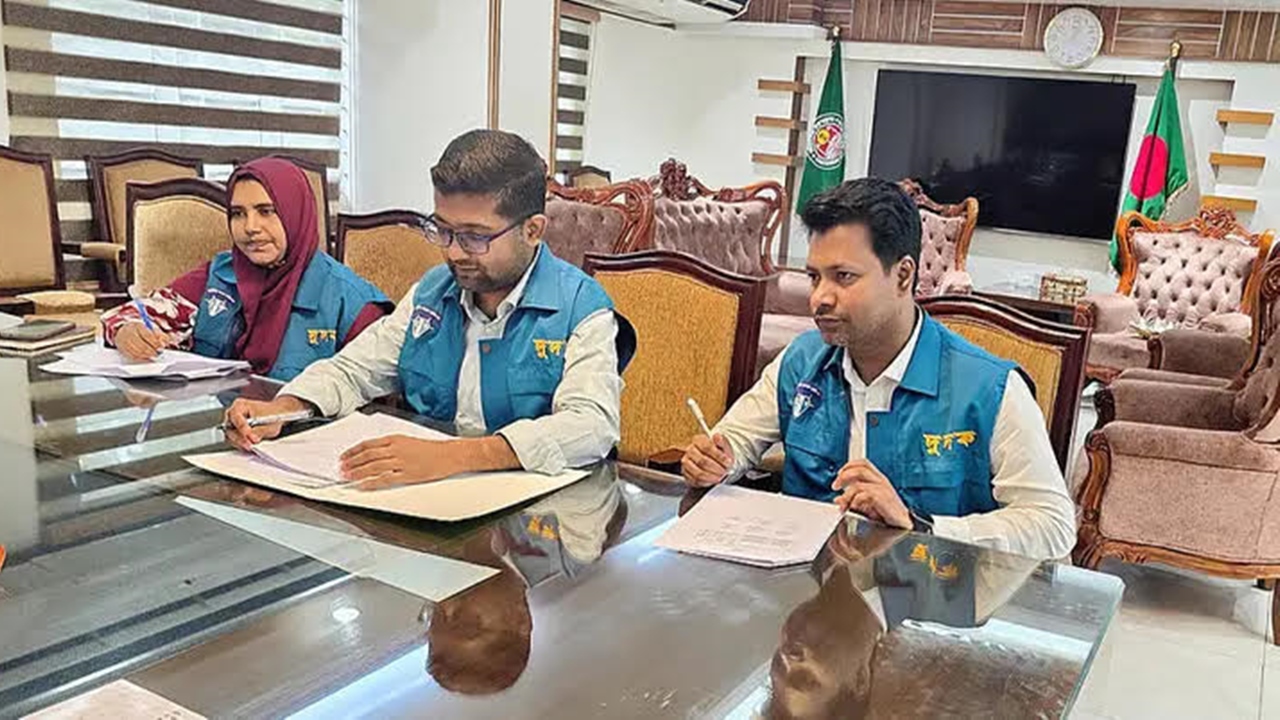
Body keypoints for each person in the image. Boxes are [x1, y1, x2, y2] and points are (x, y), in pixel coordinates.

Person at [680, 178, 1075, 561]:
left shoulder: (988, 388)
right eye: (814, 277)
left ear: (903, 275)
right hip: (808, 591)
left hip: (930, 593)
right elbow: (735, 440)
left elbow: (1053, 527)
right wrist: (717, 461)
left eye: (844, 277)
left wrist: (922, 526)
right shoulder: (802, 361)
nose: (820, 298)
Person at [224, 129, 635, 490]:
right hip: (429, 500)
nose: (453, 252)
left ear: (532, 230)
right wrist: (284, 409)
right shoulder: (433, 293)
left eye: (474, 236)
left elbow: (591, 425)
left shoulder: (581, 306)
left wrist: (454, 456)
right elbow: (353, 370)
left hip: (539, 522)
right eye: (443, 230)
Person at [101, 157, 392, 381]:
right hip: (221, 427)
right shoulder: (220, 274)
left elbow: (373, 390)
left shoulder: (352, 302)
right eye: (238, 213)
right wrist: (128, 331)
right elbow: (138, 313)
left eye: (266, 211)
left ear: (296, 213)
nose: (250, 227)